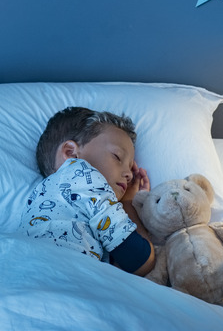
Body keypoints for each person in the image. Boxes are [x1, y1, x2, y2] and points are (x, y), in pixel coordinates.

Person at [19, 107, 155, 276]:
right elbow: (140, 261)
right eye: (117, 157)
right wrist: (128, 204)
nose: (128, 175)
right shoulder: (83, 174)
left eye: (130, 167)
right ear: (71, 153)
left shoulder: (39, 195)